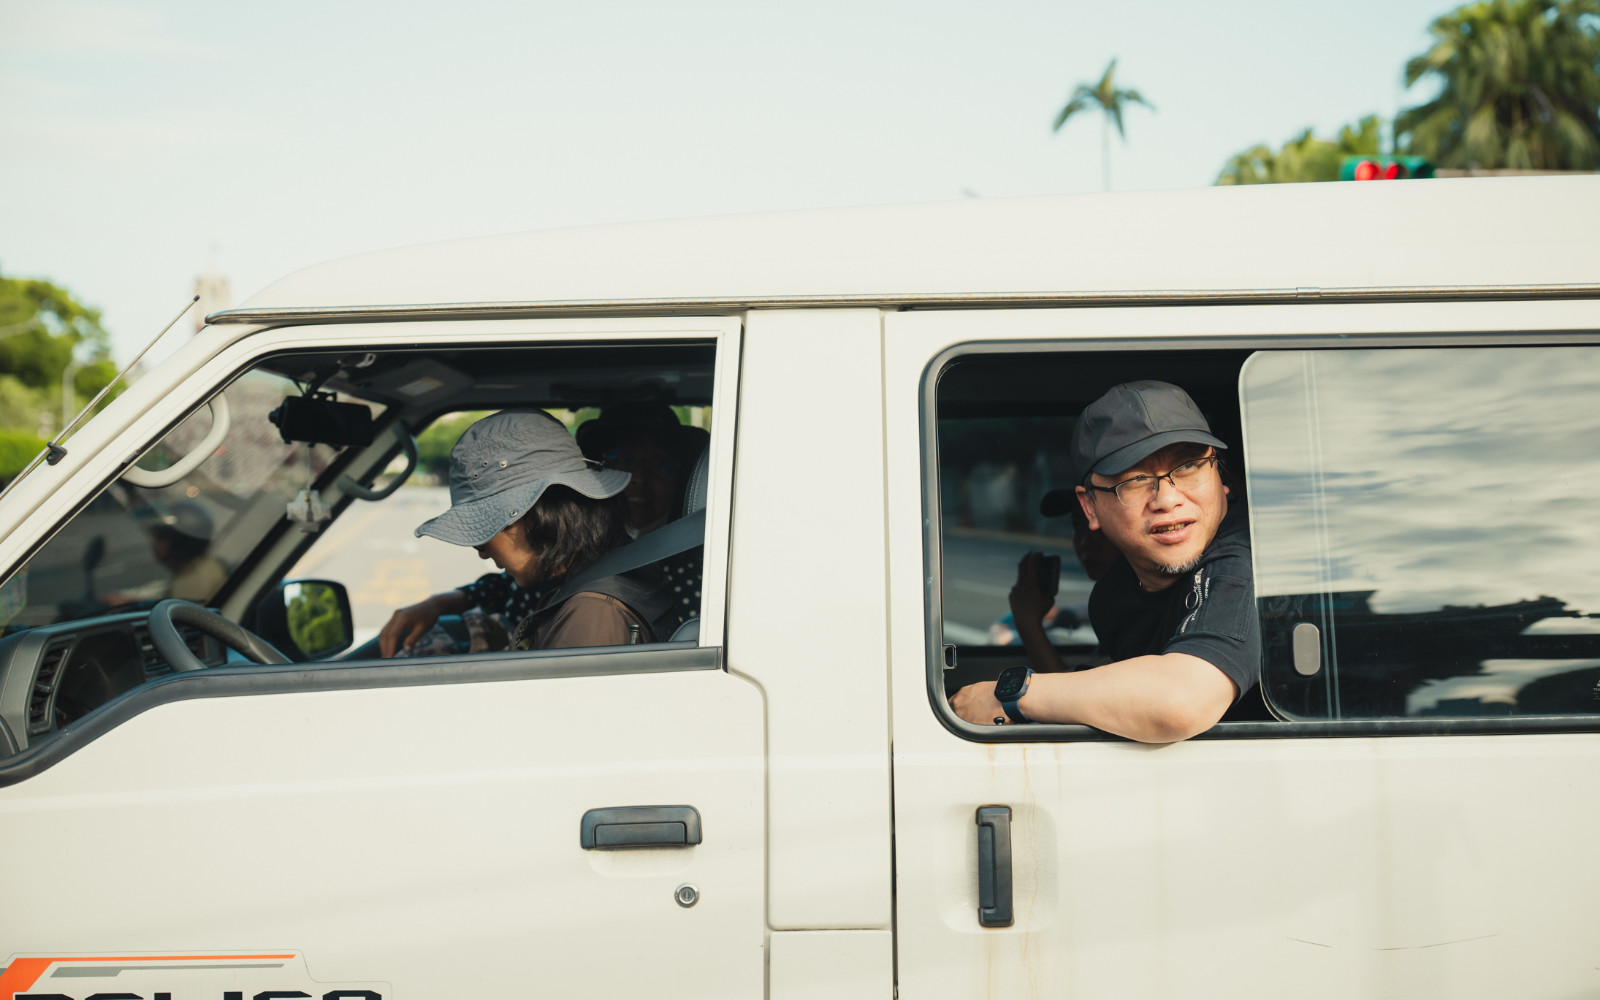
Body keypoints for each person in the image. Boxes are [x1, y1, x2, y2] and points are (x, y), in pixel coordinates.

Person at [949, 380, 1258, 743]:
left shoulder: (1247, 557)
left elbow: (1180, 703)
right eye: (1135, 479)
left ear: (1219, 474)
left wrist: (1012, 695)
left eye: (1189, 465)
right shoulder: (1113, 599)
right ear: (1090, 507)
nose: (1167, 499)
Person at [378, 404, 701, 655]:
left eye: (486, 530)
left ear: (537, 515)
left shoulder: (593, 611)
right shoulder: (576, 568)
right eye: (623, 459)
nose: (481, 551)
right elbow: (505, 589)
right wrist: (441, 603)